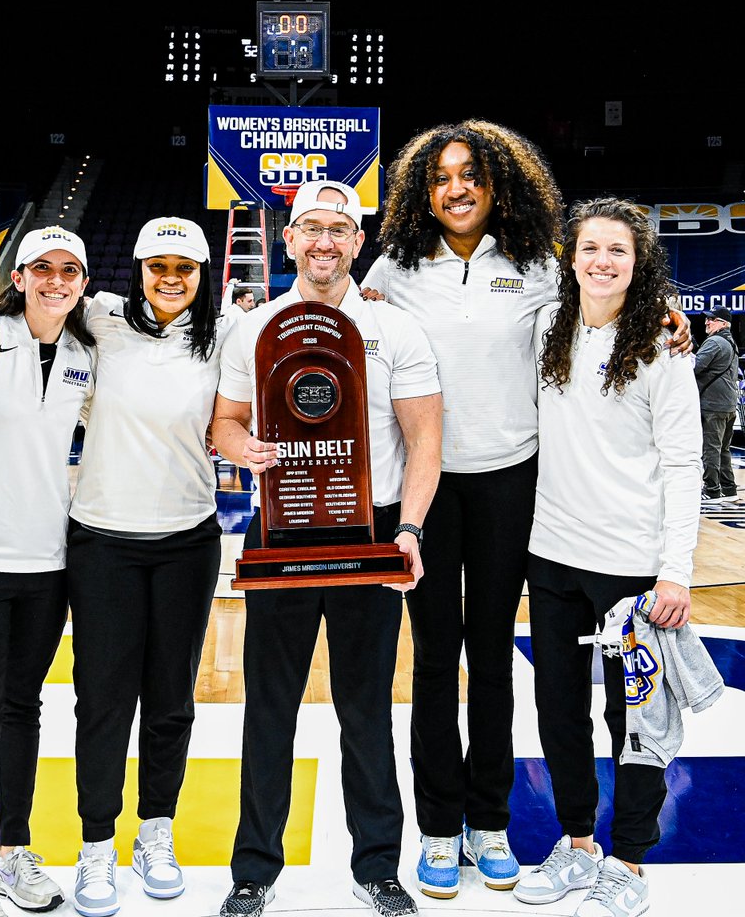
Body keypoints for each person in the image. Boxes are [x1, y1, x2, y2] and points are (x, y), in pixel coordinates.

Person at [360, 121, 692, 899]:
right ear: (422, 192)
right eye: (440, 177)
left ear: (498, 184)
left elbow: (605, 293)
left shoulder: (539, 263)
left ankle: (489, 823)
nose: (456, 188)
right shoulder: (393, 267)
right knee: (434, 660)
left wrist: (667, 311)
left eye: (471, 174)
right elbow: (343, 312)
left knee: (495, 662)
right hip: (425, 489)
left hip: (513, 486)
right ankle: (438, 828)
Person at [212, 181, 443, 917]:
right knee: (268, 707)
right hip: (282, 527)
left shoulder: (395, 329)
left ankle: (378, 867)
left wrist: (409, 530)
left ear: (358, 242)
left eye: (338, 229)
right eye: (310, 227)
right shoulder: (253, 328)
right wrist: (243, 449)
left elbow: (425, 441)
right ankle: (253, 871)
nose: (323, 241)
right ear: (287, 239)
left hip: (370, 530)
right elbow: (224, 423)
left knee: (366, 708)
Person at [515, 197, 702, 917]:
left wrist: (675, 570)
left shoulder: (661, 347)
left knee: (637, 726)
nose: (602, 261)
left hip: (633, 567)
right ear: (569, 257)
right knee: (560, 712)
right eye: (589, 247)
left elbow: (683, 463)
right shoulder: (546, 328)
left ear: (638, 261)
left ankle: (627, 862)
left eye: (617, 250)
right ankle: (577, 845)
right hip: (553, 556)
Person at [66, 217, 223, 917]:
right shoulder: (99, 319)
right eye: (158, 266)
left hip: (187, 541)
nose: (170, 279)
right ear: (137, 269)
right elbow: (22, 306)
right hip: (103, 541)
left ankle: (155, 831)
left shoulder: (226, 334)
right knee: (101, 701)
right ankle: (96, 843)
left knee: (170, 701)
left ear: (202, 274)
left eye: (184, 268)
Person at [0, 226, 96, 917]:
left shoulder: (85, 354)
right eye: (43, 268)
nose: (55, 280)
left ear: (84, 284)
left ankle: (13, 849)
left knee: (24, 706)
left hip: (49, 561)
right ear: (19, 276)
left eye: (70, 270)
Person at [693, 305, 741, 511]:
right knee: (723, 449)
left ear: (723, 323)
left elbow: (694, 367)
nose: (707, 322)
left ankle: (712, 491)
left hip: (713, 405)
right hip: (728, 404)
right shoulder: (731, 342)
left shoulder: (714, 342)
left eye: (712, 319)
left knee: (710, 448)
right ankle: (729, 490)